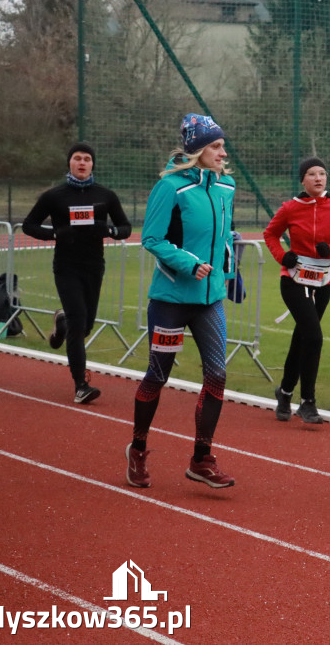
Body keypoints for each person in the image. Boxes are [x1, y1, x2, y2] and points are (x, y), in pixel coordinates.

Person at [125, 114, 237, 489]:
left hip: (209, 300)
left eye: (222, 145)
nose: (223, 152)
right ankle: (138, 449)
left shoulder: (226, 187)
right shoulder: (170, 187)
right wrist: (190, 265)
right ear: (197, 150)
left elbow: (223, 237)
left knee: (218, 374)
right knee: (159, 374)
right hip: (171, 299)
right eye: (216, 146)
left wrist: (230, 274)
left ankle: (201, 459)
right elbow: (152, 239)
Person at [22, 142, 132, 404]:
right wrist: (55, 234)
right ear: (69, 163)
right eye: (77, 158)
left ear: (92, 164)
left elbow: (125, 226)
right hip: (66, 266)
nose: (82, 162)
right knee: (79, 319)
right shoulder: (54, 196)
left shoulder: (105, 195)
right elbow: (29, 225)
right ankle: (80, 385)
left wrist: (109, 231)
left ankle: (62, 324)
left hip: (94, 266)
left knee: (83, 327)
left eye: (87, 159)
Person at [263, 156, 330, 423]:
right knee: (314, 337)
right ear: (303, 179)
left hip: (323, 283)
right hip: (294, 280)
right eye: (313, 174)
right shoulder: (290, 208)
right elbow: (270, 234)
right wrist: (283, 256)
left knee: (302, 337)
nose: (319, 178)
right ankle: (308, 402)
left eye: (323, 174)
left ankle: (284, 392)